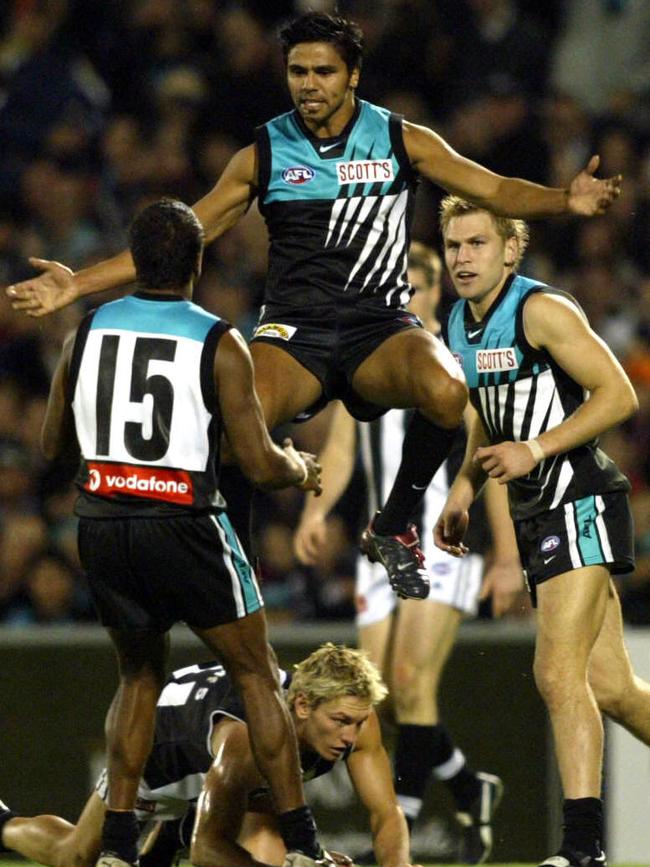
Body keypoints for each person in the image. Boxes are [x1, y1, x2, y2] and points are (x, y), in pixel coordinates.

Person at [6, 11, 622, 601]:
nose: (309, 84)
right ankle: (234, 573)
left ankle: (393, 524)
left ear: (352, 75)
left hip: (379, 327)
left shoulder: (402, 139)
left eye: (323, 71)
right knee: (228, 432)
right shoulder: (264, 153)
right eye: (298, 71)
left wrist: (565, 200)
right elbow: (182, 234)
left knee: (444, 389)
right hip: (292, 333)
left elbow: (491, 188)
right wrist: (76, 285)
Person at [37, 198, 328, 867]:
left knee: (139, 677)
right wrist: (299, 467)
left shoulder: (87, 330)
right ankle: (304, 845)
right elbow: (256, 461)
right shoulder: (218, 340)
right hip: (187, 523)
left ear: (136, 262)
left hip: (105, 522)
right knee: (257, 674)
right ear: (197, 263)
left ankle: (115, 846)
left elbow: (52, 442)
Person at [434, 196, 650, 867]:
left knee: (557, 672)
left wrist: (537, 448)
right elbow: (484, 412)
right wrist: (465, 486)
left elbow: (618, 393)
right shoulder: (458, 323)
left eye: (475, 244)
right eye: (453, 245)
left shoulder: (541, 309)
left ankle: (583, 848)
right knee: (612, 688)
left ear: (509, 249)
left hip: (579, 498)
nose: (462, 258)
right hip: (536, 513)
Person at [294, 242, 521, 864]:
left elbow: (490, 455)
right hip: (380, 548)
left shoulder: (454, 361)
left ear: (435, 294)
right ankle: (469, 785)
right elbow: (342, 450)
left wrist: (505, 555)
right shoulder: (364, 356)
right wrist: (315, 510)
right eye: (400, 288)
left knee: (407, 682)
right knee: (382, 702)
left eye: (418, 288)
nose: (408, 299)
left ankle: (404, 827)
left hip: (443, 540)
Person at [0, 643, 421, 867]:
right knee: (75, 857)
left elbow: (386, 812)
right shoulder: (245, 739)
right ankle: (3, 825)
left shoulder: (357, 718)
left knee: (274, 845)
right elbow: (208, 852)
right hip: (159, 755)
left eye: (357, 721)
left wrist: (398, 864)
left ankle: (173, 833)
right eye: (341, 721)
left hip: (218, 769)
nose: (350, 736)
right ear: (303, 706)